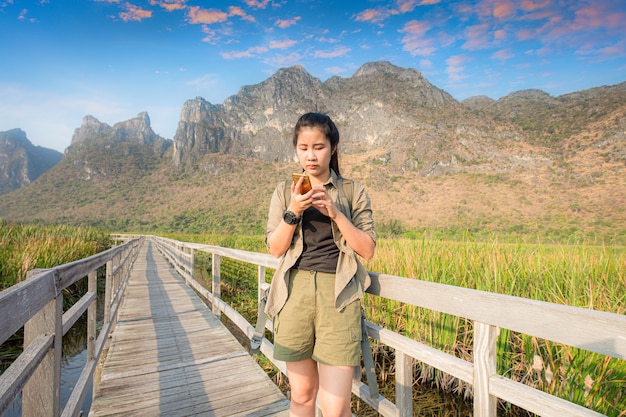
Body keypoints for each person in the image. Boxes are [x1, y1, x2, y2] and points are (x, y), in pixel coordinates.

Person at [264, 112, 376, 417]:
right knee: (301, 396)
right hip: (294, 294)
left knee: (336, 407)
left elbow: (367, 249)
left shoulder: (352, 191)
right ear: (296, 149)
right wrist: (292, 211)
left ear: (333, 147)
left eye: (318, 147)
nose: (310, 155)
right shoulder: (282, 192)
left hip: (338, 297)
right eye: (303, 148)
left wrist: (337, 213)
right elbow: (276, 249)